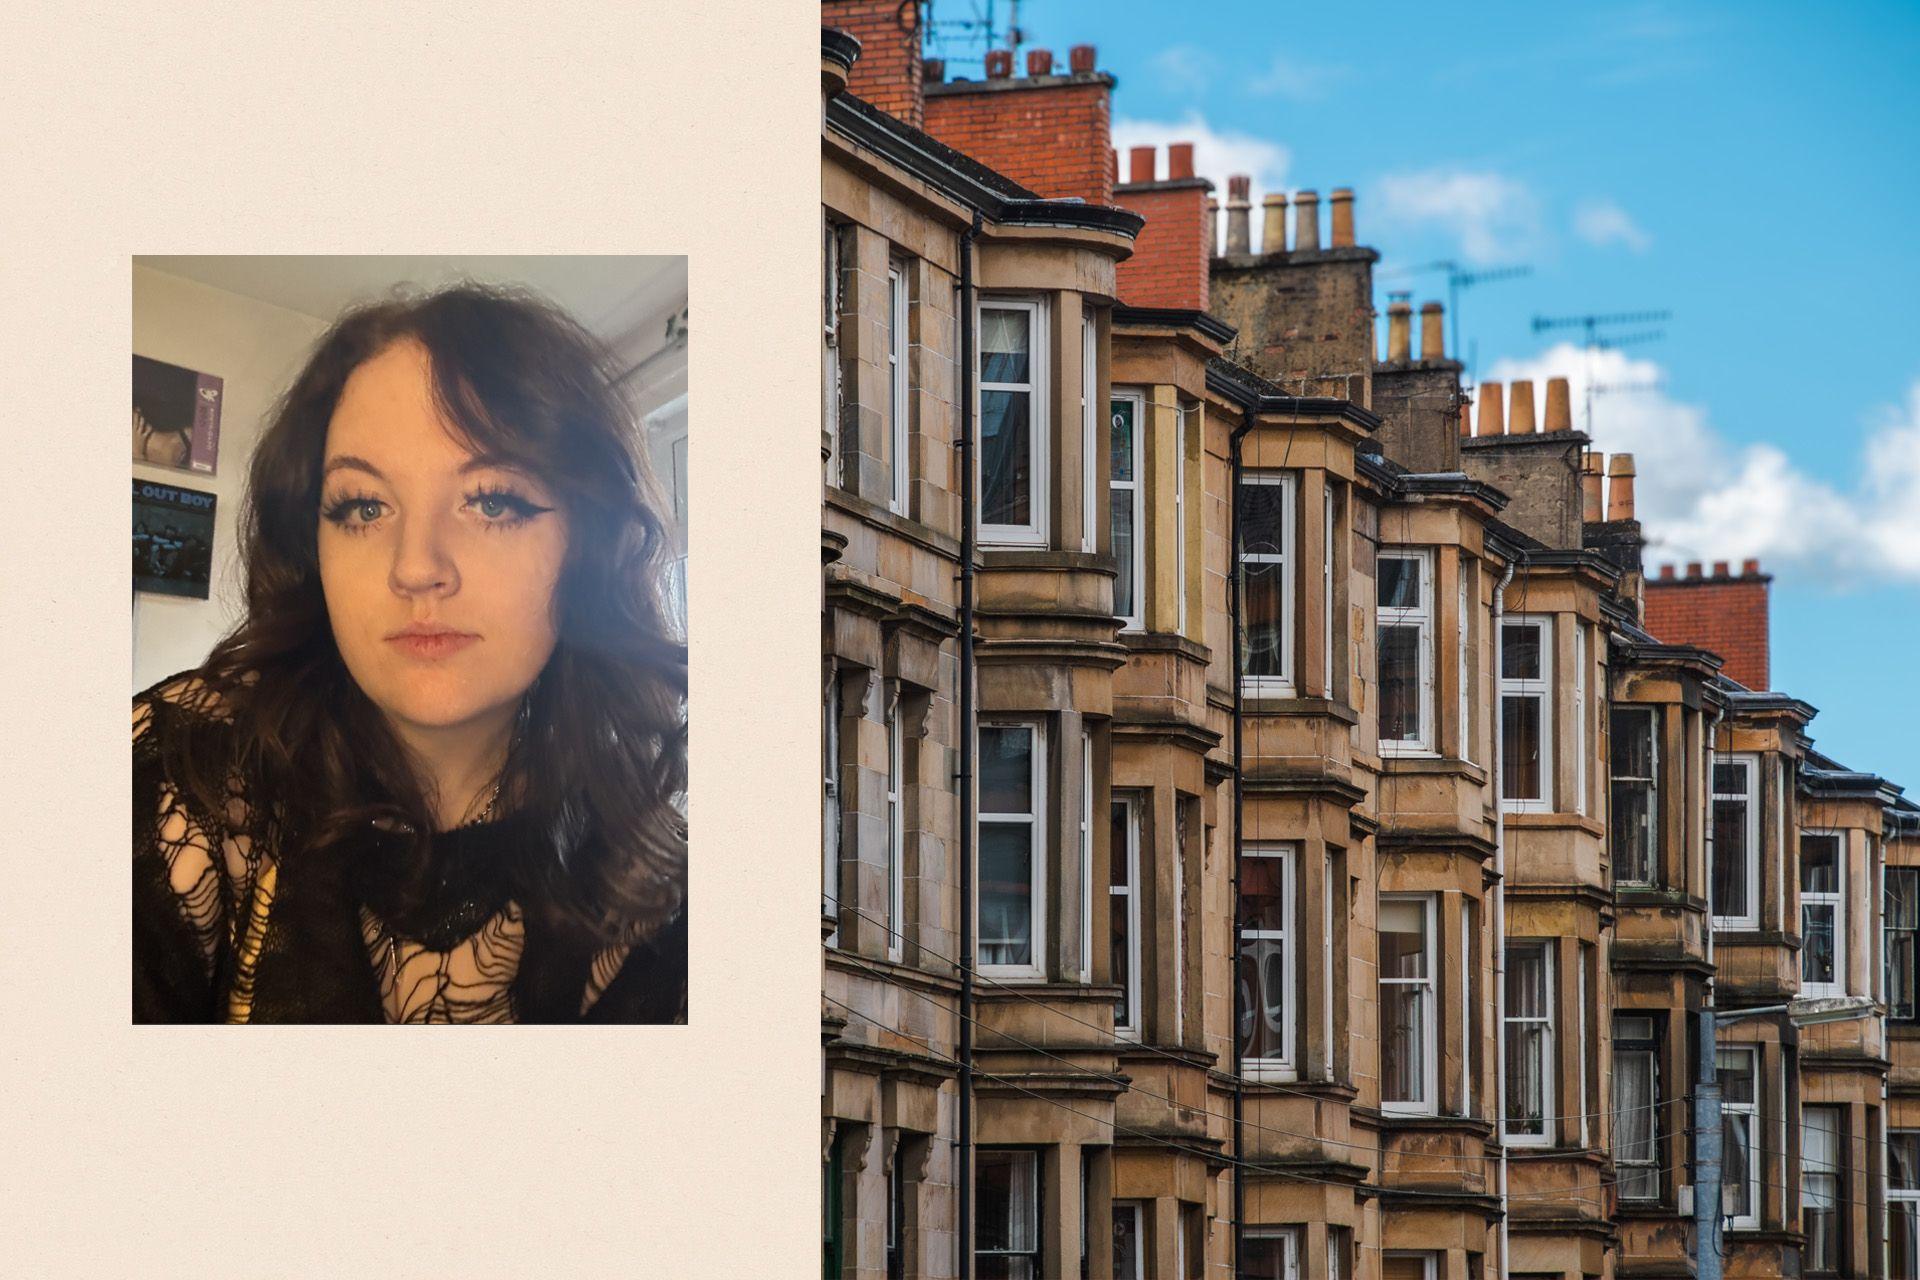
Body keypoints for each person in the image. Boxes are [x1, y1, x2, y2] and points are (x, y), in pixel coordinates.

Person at [132, 284, 687, 1023]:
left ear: (588, 544)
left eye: (491, 501)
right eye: (363, 507)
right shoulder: (176, 779)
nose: (416, 567)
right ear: (314, 548)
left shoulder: (661, 881)